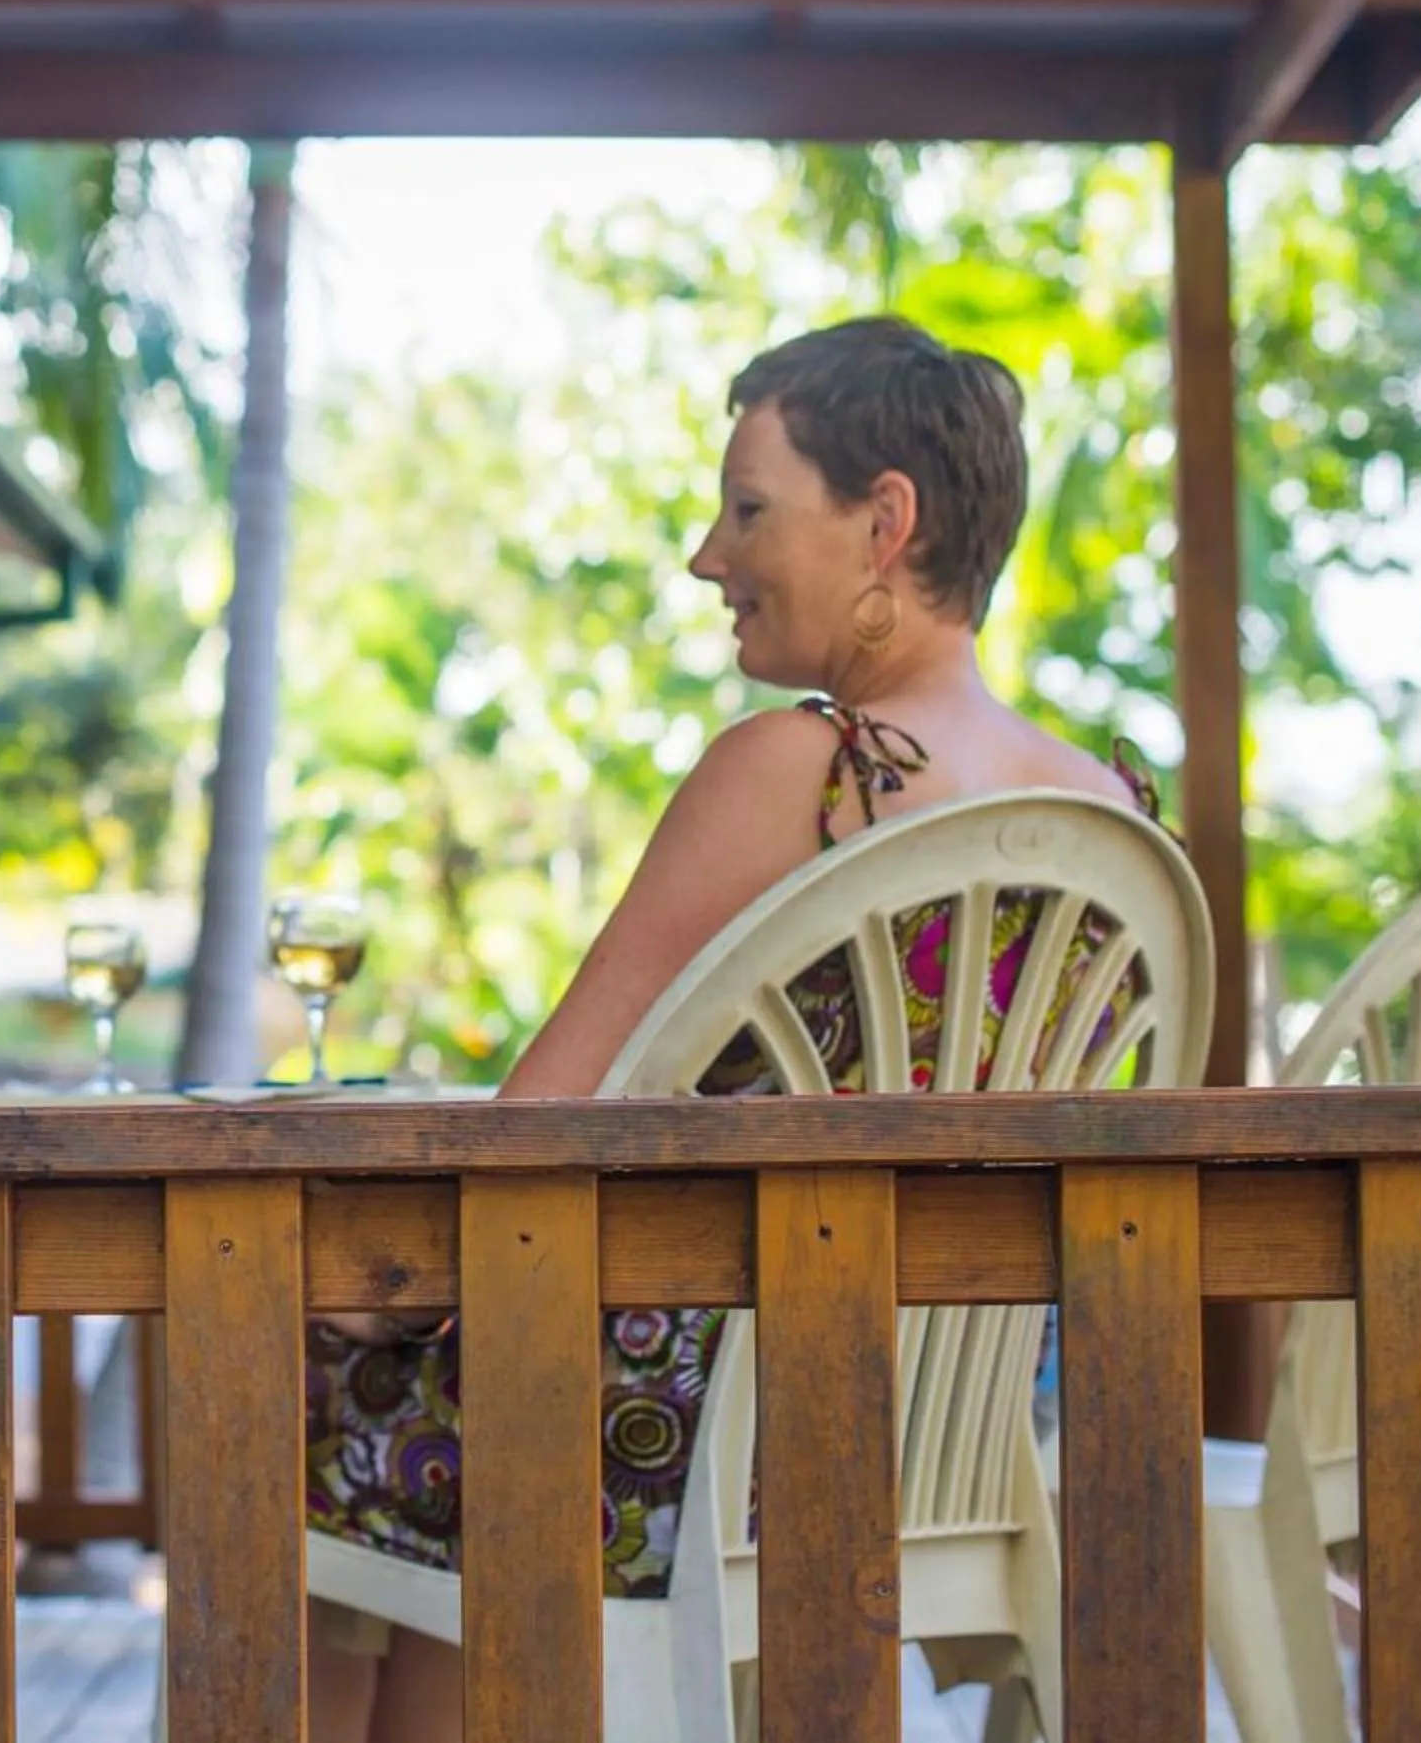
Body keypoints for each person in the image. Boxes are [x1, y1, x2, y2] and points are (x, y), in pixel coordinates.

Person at [302, 317, 1164, 1742]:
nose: (710, 554)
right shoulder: (1115, 815)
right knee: (440, 1392)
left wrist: (351, 1276)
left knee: (291, 1362)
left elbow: (535, 1132)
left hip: (698, 1456)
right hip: (943, 1439)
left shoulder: (809, 768)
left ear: (885, 520)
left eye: (749, 508)